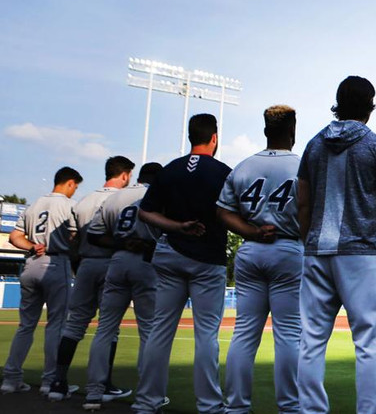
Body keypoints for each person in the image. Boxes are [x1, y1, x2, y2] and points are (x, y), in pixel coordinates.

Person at [296, 76, 376, 414]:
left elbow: (302, 200)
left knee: (311, 342)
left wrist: (307, 240)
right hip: (359, 252)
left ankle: (310, 410)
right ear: (370, 107)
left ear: (338, 103)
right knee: (369, 343)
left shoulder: (314, 145)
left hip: (317, 250)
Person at [132, 113, 232, 414]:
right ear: (214, 138)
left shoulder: (170, 170)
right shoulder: (223, 171)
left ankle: (146, 402)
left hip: (169, 253)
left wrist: (176, 226)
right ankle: (210, 406)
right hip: (207, 258)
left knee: (160, 330)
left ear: (191, 136)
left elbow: (145, 213)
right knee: (206, 336)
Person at [218, 105, 303, 414]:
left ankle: (236, 406)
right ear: (293, 131)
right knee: (289, 334)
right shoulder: (302, 164)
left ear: (266, 130)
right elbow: (311, 213)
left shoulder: (243, 166)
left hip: (250, 250)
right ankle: (290, 407)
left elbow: (223, 211)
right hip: (289, 249)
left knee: (244, 332)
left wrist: (251, 232)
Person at [48, 156, 135, 402]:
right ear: (125, 175)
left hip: (86, 264)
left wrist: (79, 266)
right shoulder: (122, 200)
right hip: (111, 263)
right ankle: (103, 384)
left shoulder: (83, 201)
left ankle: (58, 382)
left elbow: (73, 241)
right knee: (109, 328)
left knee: (74, 324)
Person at [82, 162, 164, 411]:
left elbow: (94, 235)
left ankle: (94, 394)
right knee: (149, 330)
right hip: (146, 262)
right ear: (158, 178)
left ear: (138, 176)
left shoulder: (116, 197)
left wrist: (122, 242)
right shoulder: (159, 195)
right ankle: (146, 398)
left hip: (117, 260)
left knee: (105, 328)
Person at [1, 167, 83, 396]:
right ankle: (50, 383)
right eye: (75, 186)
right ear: (69, 183)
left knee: (25, 325)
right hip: (56, 264)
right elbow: (75, 237)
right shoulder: (69, 206)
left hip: (31, 264)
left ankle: (11, 379)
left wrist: (32, 246)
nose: (74, 190)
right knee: (56, 325)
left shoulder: (34, 205)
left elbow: (15, 236)